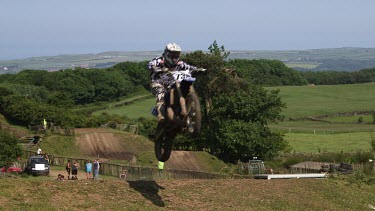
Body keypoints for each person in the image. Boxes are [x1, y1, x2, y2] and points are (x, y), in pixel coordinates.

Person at [147, 43, 198, 122]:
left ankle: (193, 109)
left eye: (176, 55)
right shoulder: (159, 60)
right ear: (166, 53)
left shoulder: (180, 64)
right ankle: (160, 115)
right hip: (158, 84)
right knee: (161, 94)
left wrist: (198, 70)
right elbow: (150, 65)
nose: (174, 57)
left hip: (173, 83)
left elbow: (190, 67)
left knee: (186, 88)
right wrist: (156, 69)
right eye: (172, 55)